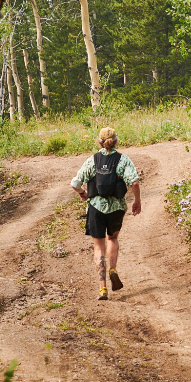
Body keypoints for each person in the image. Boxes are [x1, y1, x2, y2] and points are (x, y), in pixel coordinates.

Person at [70, 127, 142, 300]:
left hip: (95, 208)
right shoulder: (123, 160)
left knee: (98, 246)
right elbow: (134, 183)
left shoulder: (92, 160)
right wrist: (137, 201)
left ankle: (102, 289)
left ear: (99, 142)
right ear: (116, 141)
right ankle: (113, 269)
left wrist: (82, 193)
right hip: (116, 207)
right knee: (113, 239)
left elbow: (75, 182)